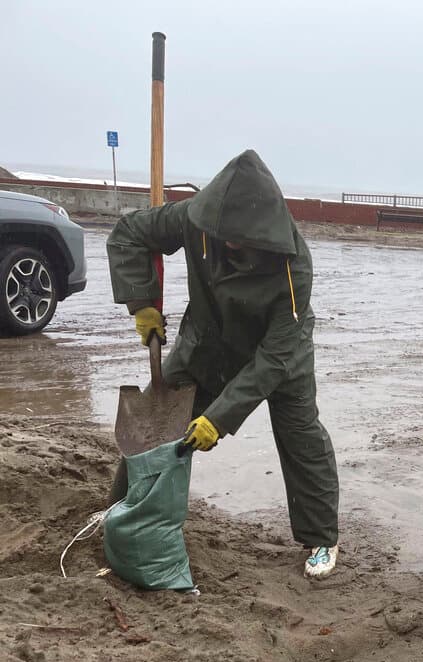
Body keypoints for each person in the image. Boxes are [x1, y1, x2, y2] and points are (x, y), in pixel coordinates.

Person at [107, 149, 339, 579]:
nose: (227, 241)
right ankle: (123, 512)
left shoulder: (294, 267)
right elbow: (129, 233)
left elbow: (272, 360)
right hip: (206, 341)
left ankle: (321, 536)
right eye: (221, 232)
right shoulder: (197, 219)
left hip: (279, 353)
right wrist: (142, 303)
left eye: (237, 236)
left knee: (301, 435)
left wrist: (219, 418)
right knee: (154, 423)